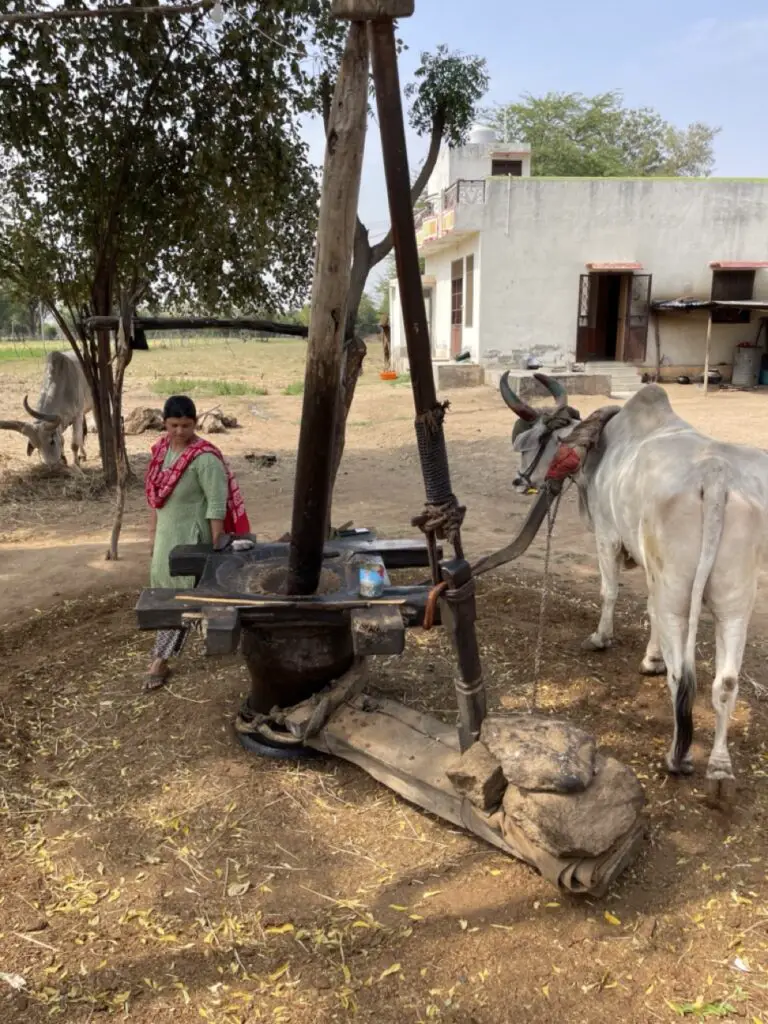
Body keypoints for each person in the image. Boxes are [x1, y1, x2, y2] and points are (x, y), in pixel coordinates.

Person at [143, 395, 250, 691]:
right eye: (174, 425)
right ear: (164, 423)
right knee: (168, 596)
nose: (179, 432)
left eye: (186, 425)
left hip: (192, 539)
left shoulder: (205, 459)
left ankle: (160, 661)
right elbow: (154, 501)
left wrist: (216, 546)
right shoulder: (161, 451)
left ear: (195, 423)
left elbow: (217, 505)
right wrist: (152, 536)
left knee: (180, 602)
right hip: (166, 539)